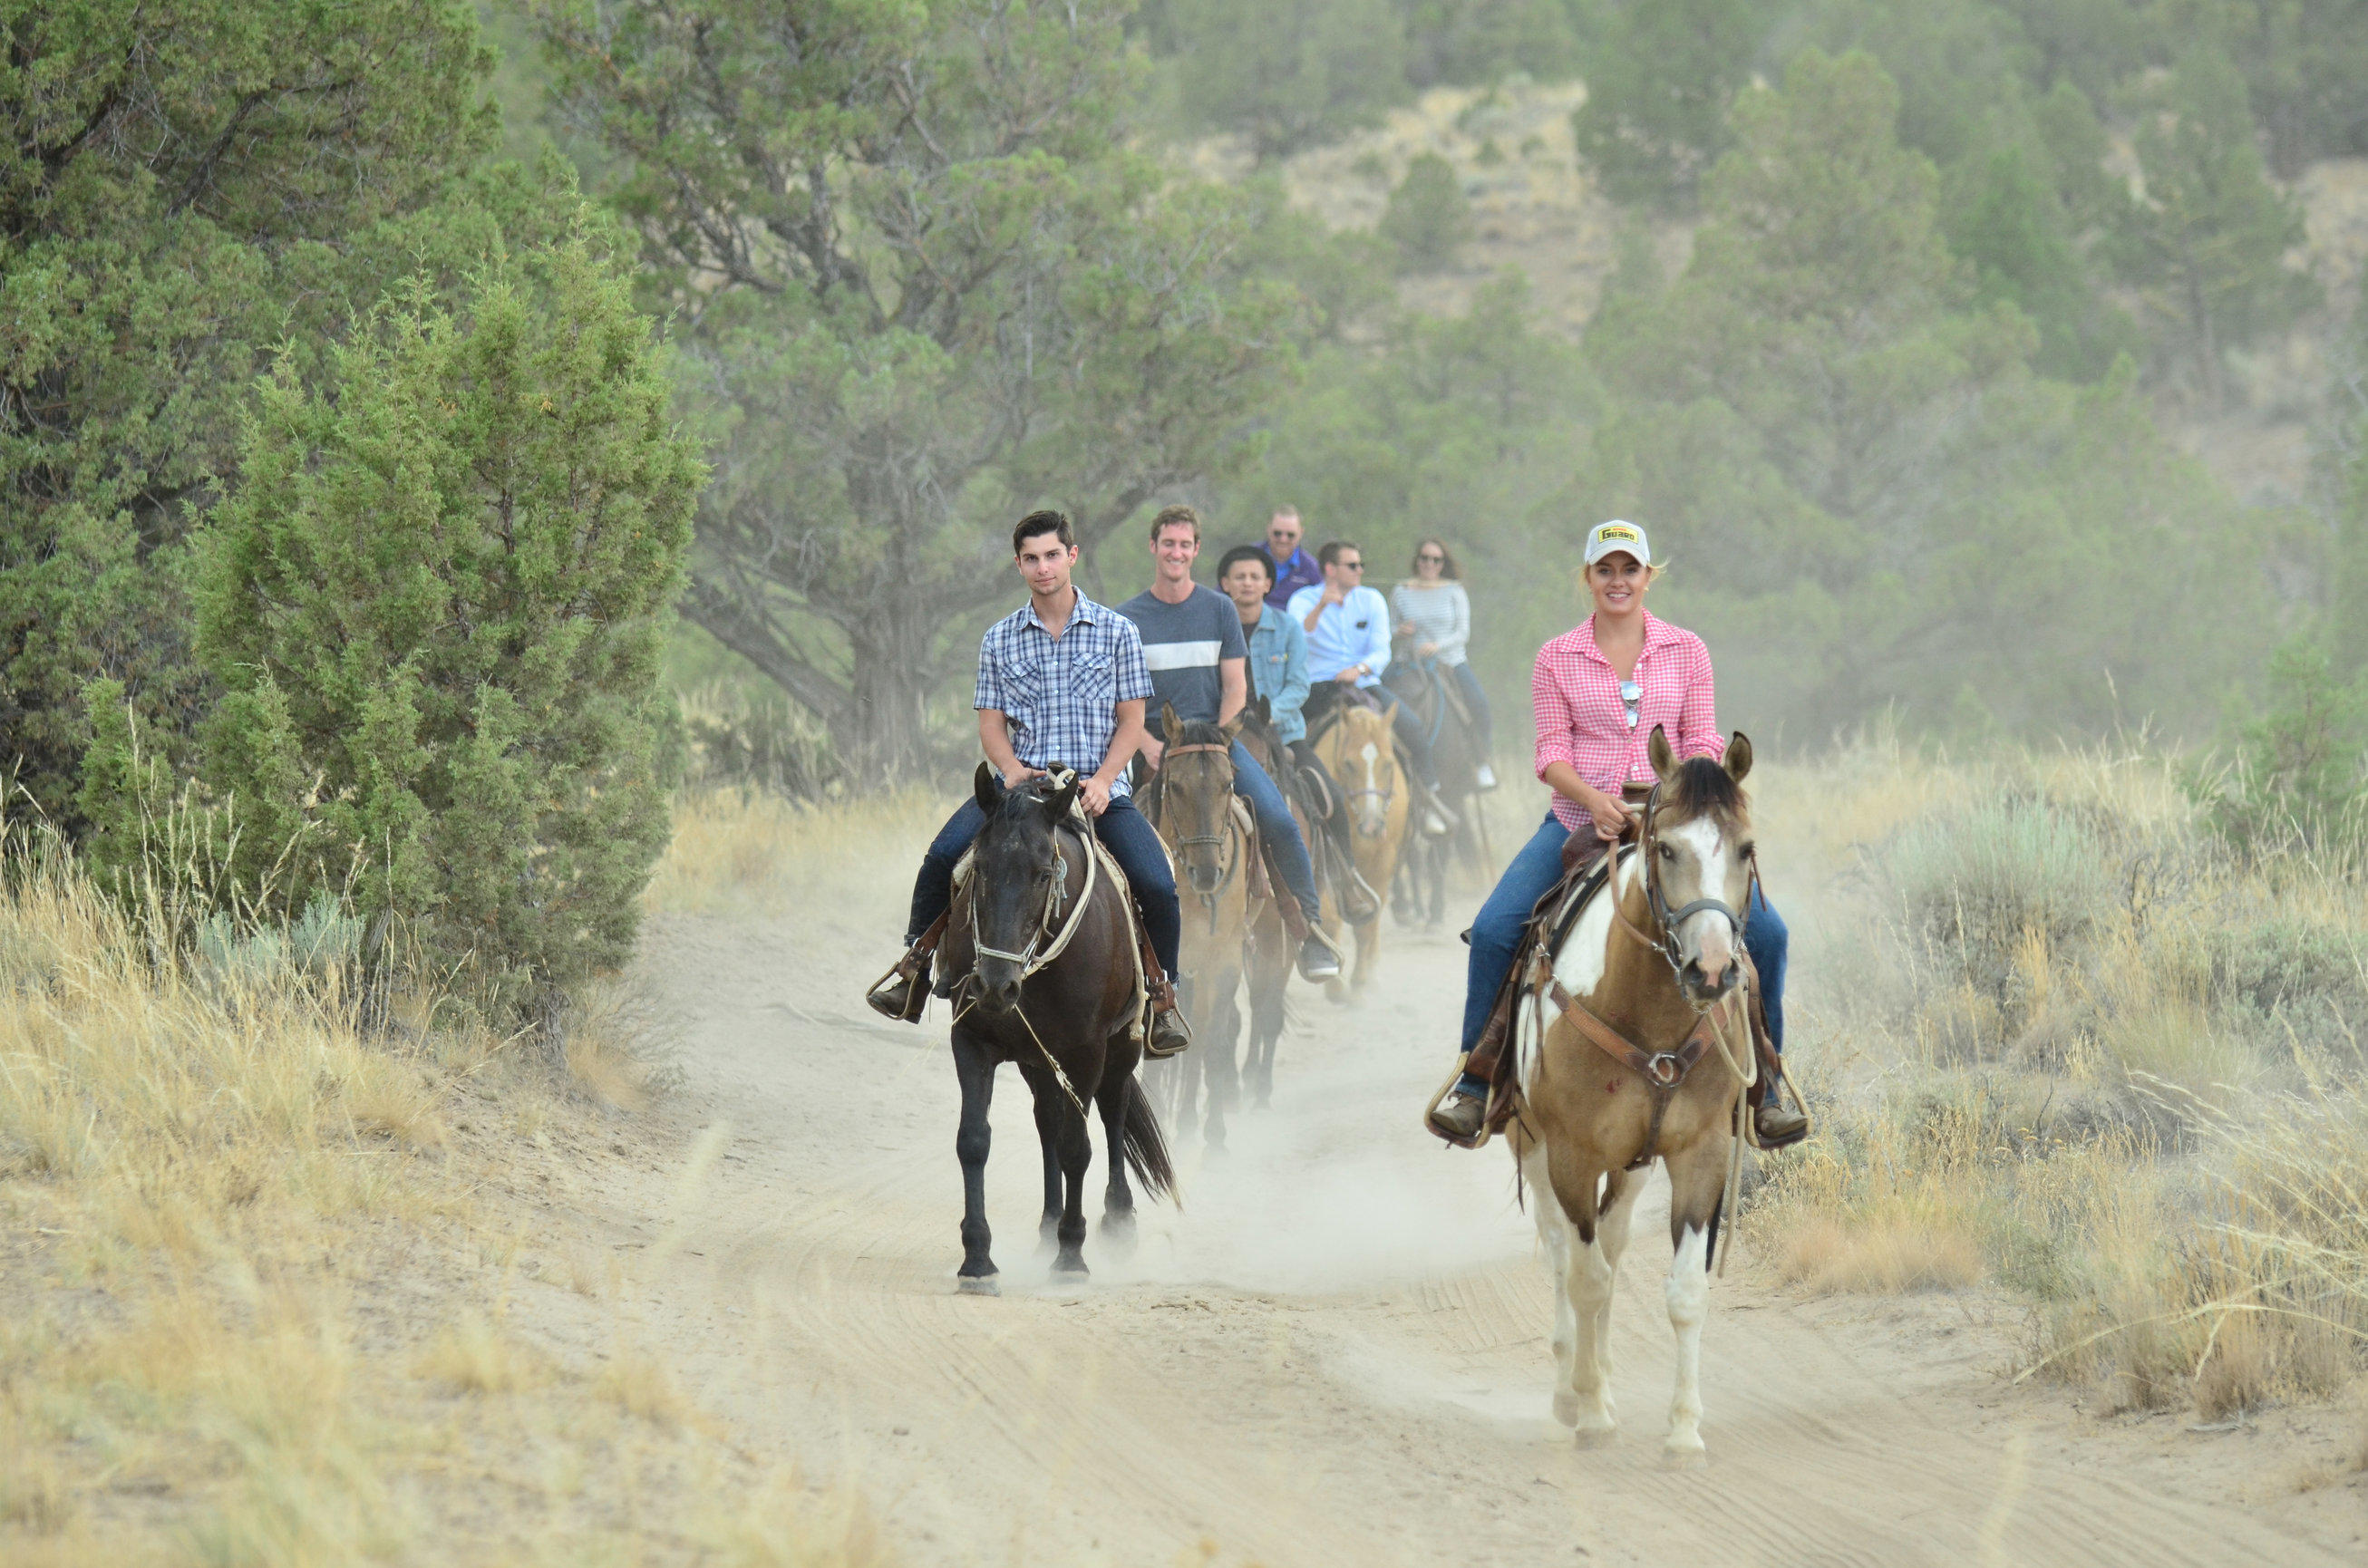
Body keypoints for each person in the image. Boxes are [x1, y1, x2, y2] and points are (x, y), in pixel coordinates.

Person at [1428, 520, 1806, 1145]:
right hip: (1580, 821)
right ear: (1588, 578)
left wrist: (1678, 790)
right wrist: (1593, 800)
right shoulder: (1557, 655)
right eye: (1605, 569)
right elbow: (1549, 751)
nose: (1618, 581)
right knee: (1496, 930)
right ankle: (1477, 1081)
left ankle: (1766, 1085)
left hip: (1676, 823)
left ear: (1648, 576)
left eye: (1630, 569)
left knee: (1768, 933)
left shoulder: (1688, 650)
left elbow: (1704, 737)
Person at [867, 509, 1190, 1056]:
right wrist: (1012, 771)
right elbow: (990, 724)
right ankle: (915, 968)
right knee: (944, 856)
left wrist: (1104, 781)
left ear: (1072, 556)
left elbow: (1132, 721)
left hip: (1096, 791)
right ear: (1019, 565)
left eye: (1052, 556)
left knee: (1156, 884)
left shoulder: (1118, 631)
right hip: (1023, 792)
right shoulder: (999, 639)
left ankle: (1162, 999)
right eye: (1032, 559)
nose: (1044, 568)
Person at [1119, 507, 1339, 983]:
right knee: (1104, 833)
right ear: (1153, 547)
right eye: (1168, 543)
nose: (1176, 552)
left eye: (1185, 545)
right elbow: (1122, 698)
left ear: (1196, 550)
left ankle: (1309, 931)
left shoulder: (1218, 609)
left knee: (1279, 818)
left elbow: (1236, 687)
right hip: (1153, 746)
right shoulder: (1127, 618)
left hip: (1215, 744)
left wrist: (1217, 740)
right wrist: (1149, 745)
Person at [1287, 539, 1452, 837]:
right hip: (1316, 686)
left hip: (1363, 683)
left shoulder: (1371, 599)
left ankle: (1429, 800)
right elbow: (1296, 639)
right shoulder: (1303, 600)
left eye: (1361, 564)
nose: (1360, 570)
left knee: (1411, 726)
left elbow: (1381, 650)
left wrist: (1360, 669)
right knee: (1287, 738)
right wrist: (1322, 605)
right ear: (1330, 569)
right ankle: (1287, 806)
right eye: (1352, 565)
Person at [1390, 537, 1497, 791]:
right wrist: (1399, 632)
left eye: (1435, 559)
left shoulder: (1454, 591)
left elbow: (1462, 633)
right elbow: (1389, 628)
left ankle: (1482, 763)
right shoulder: (1401, 591)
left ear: (1442, 563)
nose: (1429, 563)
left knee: (1479, 703)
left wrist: (1437, 646)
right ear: (1417, 560)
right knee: (1374, 697)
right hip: (1409, 661)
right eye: (1424, 558)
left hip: (1449, 661)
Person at [1258, 506, 1324, 612]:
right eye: (1277, 533)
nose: (1283, 539)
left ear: (1301, 533)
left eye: (1290, 535)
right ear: (1268, 529)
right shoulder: (1247, 558)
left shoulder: (1312, 568)